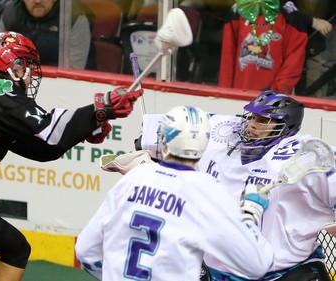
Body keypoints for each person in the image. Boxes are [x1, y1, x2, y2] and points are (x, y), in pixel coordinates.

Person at [0, 31, 143, 281]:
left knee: (14, 247)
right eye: (26, 64)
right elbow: (50, 132)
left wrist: (89, 124)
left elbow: (42, 149)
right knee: (16, 249)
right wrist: (100, 109)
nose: (30, 73)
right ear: (12, 64)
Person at [135, 91, 335, 280]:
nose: (252, 125)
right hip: (219, 270)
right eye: (253, 117)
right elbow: (171, 130)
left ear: (286, 126)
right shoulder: (226, 135)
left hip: (286, 272)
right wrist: (150, 144)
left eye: (264, 120)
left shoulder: (304, 154)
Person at [75, 105, 274, 281]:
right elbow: (257, 264)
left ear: (162, 138)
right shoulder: (208, 191)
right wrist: (250, 216)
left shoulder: (135, 177)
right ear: (204, 142)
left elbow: (85, 251)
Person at [218, 0, 309, 95]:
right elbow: (227, 58)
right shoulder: (237, 11)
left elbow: (294, 60)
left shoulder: (291, 14)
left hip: (273, 100)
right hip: (238, 97)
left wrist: (276, 91)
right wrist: (224, 94)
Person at [0, 0, 94, 69]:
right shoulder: (10, 16)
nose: (38, 1)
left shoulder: (74, 17)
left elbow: (74, 68)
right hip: (21, 81)